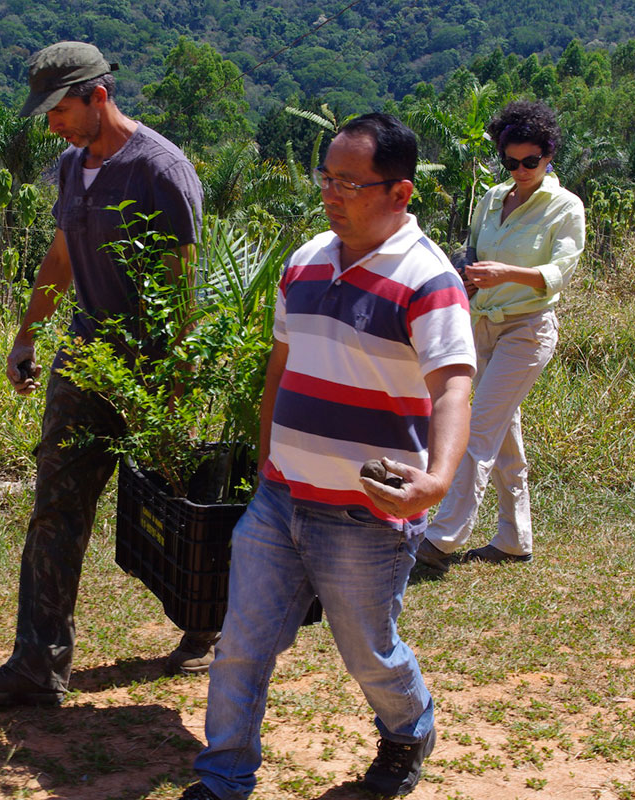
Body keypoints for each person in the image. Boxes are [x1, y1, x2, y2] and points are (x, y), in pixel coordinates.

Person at [178, 114, 476, 800]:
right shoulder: (306, 259)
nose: (331, 193)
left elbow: (454, 387)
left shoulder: (429, 281)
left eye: (349, 182)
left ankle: (409, 727)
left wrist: (434, 481)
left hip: (365, 516)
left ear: (399, 193)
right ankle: (223, 778)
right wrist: (266, 465)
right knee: (241, 647)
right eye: (327, 177)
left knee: (368, 654)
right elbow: (281, 368)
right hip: (280, 498)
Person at [0, 41, 210, 707]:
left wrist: (173, 384)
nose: (54, 126)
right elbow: (62, 256)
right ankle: (38, 666)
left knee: (179, 511)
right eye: (47, 115)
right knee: (55, 509)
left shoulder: (162, 171)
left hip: (151, 371)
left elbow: (182, 290)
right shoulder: (73, 167)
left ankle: (207, 626)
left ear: (100, 95)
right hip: (85, 360)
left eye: (61, 110)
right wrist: (28, 334)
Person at [414, 100, 585, 574]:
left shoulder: (565, 206)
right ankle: (514, 539)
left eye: (531, 160)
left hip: (527, 331)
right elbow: (472, 253)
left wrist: (506, 272)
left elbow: (559, 271)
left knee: (477, 431)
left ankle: (441, 539)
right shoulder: (492, 199)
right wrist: (465, 275)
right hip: (480, 326)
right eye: (512, 161)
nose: (522, 169)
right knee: (503, 435)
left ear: (549, 155)